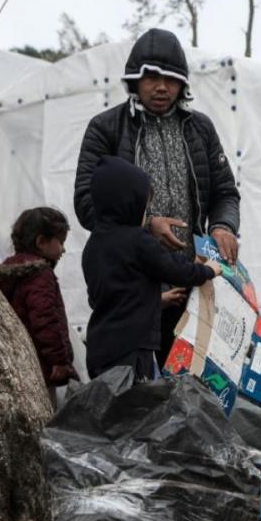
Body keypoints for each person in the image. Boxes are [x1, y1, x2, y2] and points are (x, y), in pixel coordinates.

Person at [73, 27, 240, 367]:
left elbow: (224, 191)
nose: (161, 87)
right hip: (136, 291)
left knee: (195, 388)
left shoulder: (200, 128)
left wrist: (223, 225)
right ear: (134, 80)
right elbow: (87, 204)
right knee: (139, 395)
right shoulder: (106, 128)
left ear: (182, 83)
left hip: (193, 282)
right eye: (151, 77)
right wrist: (147, 226)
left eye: (171, 78)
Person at [82, 156, 222, 380]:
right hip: (133, 349)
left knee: (112, 411)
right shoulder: (137, 240)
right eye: (145, 208)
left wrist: (157, 300)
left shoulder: (93, 246)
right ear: (127, 204)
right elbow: (174, 269)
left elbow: (109, 297)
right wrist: (209, 270)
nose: (146, 215)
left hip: (101, 348)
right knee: (139, 409)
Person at [0, 207, 77, 409]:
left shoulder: (7, 273)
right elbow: (45, 318)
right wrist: (59, 361)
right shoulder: (39, 274)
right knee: (45, 419)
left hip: (14, 369)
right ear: (41, 242)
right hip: (41, 368)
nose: (64, 250)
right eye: (61, 242)